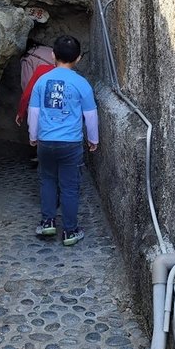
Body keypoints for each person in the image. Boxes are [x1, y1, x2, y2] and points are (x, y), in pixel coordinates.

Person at [28, 35, 99, 246]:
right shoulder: (81, 83)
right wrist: (92, 139)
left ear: (53, 56)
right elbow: (91, 114)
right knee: (70, 186)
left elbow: (34, 112)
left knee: (47, 180)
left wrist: (33, 136)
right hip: (70, 143)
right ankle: (70, 231)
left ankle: (48, 221)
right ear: (78, 58)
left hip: (46, 141)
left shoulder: (42, 81)